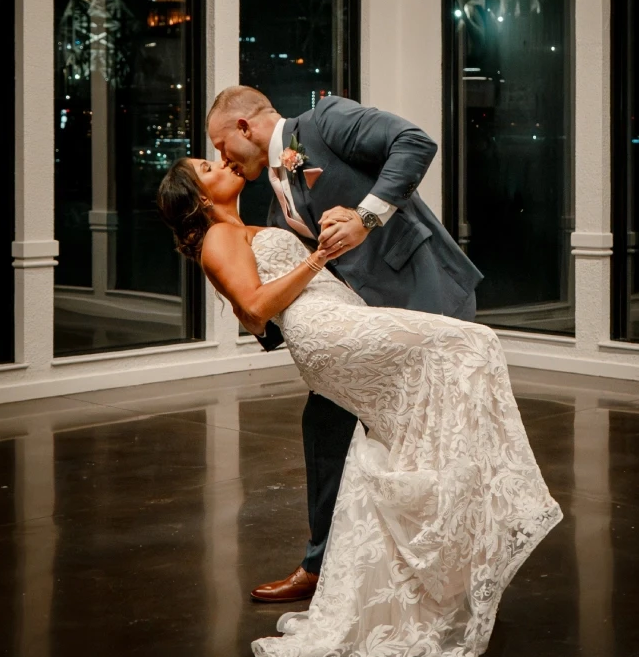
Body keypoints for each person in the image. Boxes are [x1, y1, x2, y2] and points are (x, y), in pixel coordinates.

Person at [156, 159, 562, 657]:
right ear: (199, 196)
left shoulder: (242, 228)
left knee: (401, 430)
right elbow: (256, 309)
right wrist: (317, 258)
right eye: (209, 166)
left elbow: (249, 310)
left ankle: (424, 568)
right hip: (325, 329)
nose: (224, 163)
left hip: (342, 319)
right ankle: (501, 500)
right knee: (471, 344)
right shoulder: (217, 237)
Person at [206, 86, 484, 605]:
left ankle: (449, 567)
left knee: (431, 438)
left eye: (222, 146)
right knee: (325, 424)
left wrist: (366, 216)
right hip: (365, 326)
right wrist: (253, 309)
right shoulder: (275, 198)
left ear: (244, 127)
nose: (223, 158)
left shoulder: (325, 120)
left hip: (423, 298)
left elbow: (415, 142)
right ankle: (324, 563)